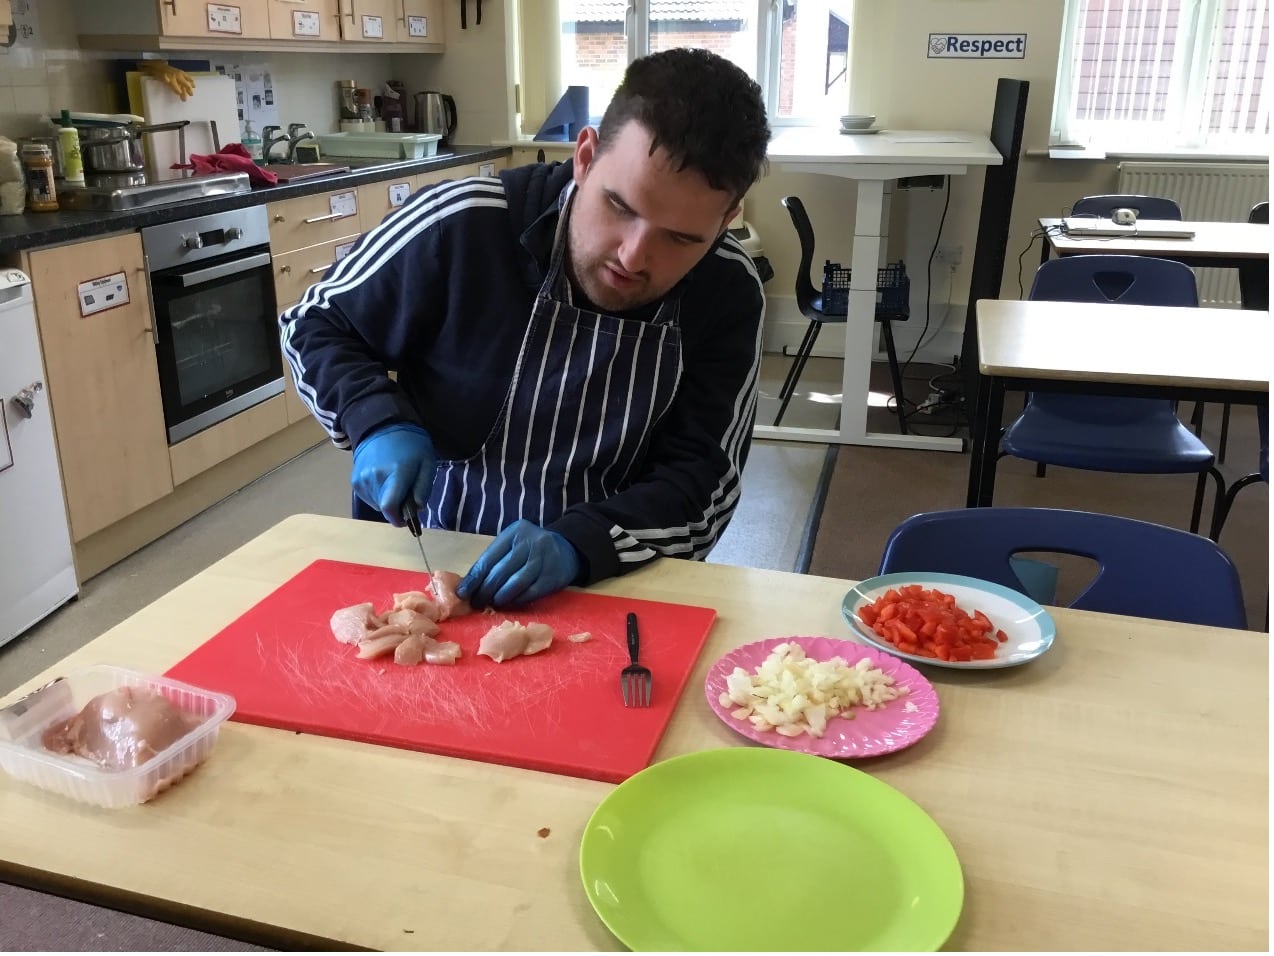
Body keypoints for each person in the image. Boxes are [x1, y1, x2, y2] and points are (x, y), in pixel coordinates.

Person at [280, 47, 771, 609]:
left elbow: (702, 484)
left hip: (607, 585)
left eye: (681, 239)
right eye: (619, 206)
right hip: (428, 566)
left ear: (725, 220)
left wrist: (579, 543)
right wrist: (372, 419)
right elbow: (315, 322)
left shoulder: (726, 291)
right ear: (585, 157)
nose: (634, 257)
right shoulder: (462, 224)